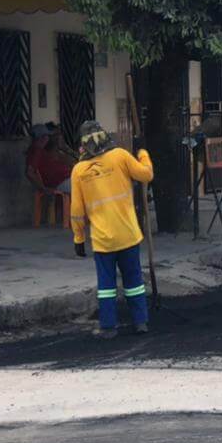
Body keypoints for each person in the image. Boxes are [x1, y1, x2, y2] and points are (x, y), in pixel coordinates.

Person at [69, 121, 155, 338]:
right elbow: (146, 175)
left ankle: (108, 327)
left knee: (106, 286)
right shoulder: (121, 156)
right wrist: (143, 152)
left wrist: (78, 238)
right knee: (134, 282)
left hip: (103, 240)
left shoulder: (79, 170)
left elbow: (77, 211)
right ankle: (141, 322)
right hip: (128, 234)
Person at [25, 122, 74, 195]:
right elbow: (29, 172)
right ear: (42, 137)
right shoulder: (36, 151)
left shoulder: (41, 151)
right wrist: (43, 189)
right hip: (60, 182)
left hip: (66, 179)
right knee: (88, 185)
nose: (48, 138)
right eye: (47, 136)